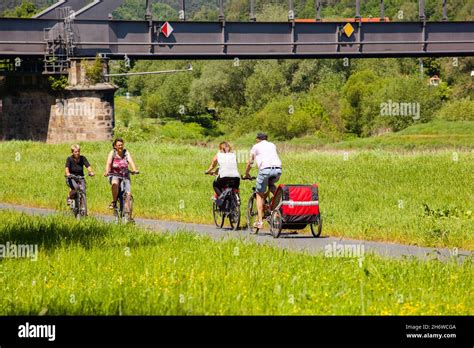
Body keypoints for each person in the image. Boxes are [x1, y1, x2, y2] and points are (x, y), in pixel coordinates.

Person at [244, 133, 282, 229]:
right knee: (271, 185)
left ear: (257, 139)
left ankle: (260, 221)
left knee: (259, 194)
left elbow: (250, 162)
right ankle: (280, 198)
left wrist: (246, 173)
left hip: (265, 170)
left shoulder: (256, 146)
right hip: (278, 170)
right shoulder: (272, 144)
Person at [103, 137, 139, 210]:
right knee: (115, 184)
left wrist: (134, 169)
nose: (121, 146)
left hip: (125, 175)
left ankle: (129, 216)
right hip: (114, 174)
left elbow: (131, 161)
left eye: (122, 145)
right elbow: (109, 163)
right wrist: (107, 171)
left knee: (128, 194)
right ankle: (114, 202)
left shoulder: (126, 152)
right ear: (115, 146)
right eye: (119, 145)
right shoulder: (112, 152)